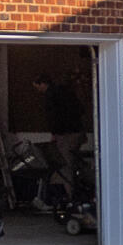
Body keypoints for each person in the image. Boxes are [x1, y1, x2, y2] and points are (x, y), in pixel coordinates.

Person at [33, 73, 88, 201]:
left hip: (65, 133)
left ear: (43, 84)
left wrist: (54, 133)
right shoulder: (66, 92)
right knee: (70, 161)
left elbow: (53, 117)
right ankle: (73, 191)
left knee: (64, 163)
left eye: (37, 87)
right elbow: (80, 109)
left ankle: (66, 196)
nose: (38, 91)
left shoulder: (50, 96)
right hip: (77, 131)